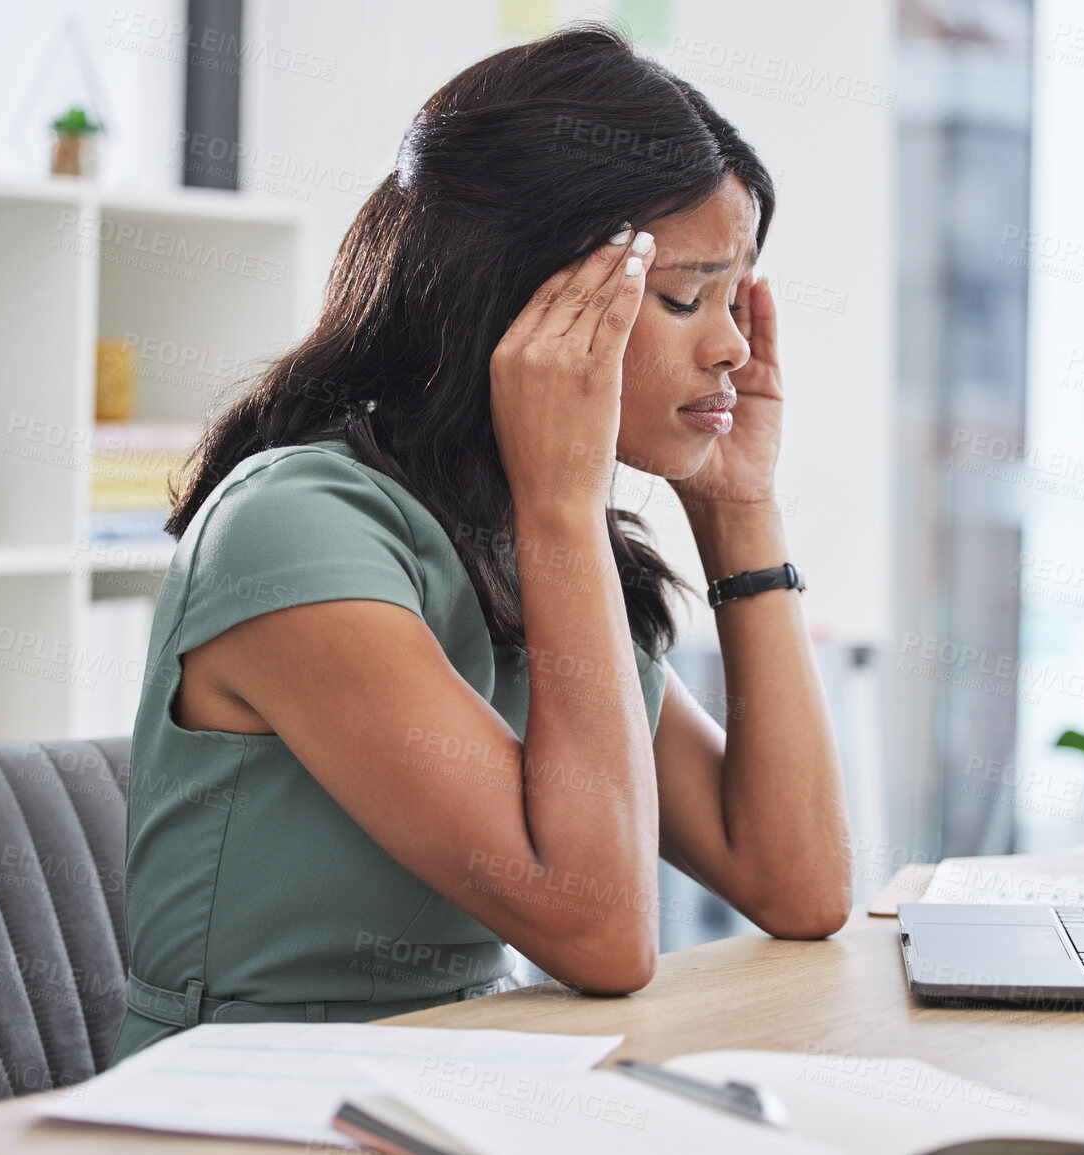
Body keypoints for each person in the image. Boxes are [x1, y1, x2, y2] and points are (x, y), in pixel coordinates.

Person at [110, 23, 853, 1064]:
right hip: (243, 1108)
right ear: (528, 297)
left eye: (736, 299)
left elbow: (798, 883)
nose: (731, 345)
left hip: (457, 1079)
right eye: (687, 296)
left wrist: (740, 512)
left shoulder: (509, 534)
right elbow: (600, 930)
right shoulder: (298, 527)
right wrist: (560, 507)